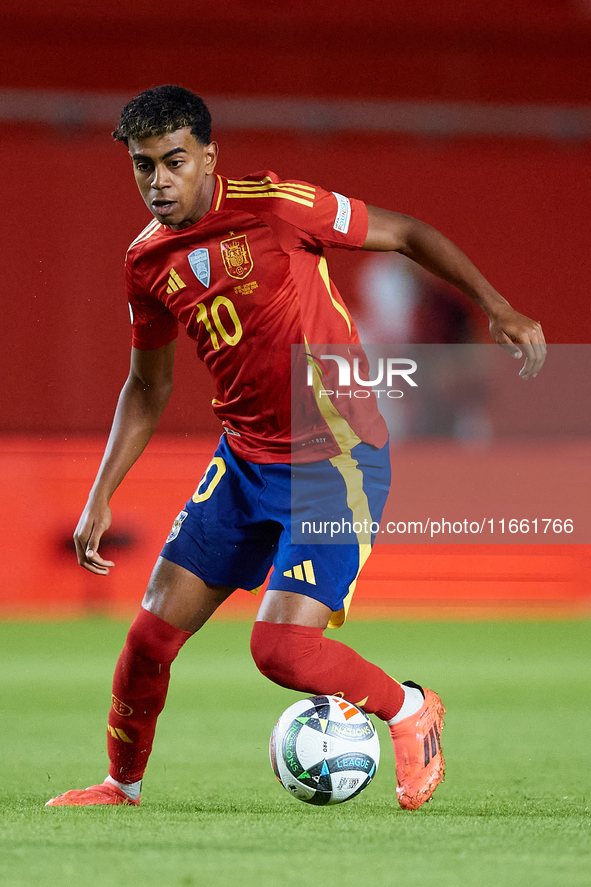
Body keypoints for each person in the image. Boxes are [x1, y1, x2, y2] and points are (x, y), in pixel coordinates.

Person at [46, 85, 546, 810]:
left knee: (278, 650)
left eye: (174, 162)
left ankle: (410, 708)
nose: (158, 181)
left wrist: (495, 306)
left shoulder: (277, 206)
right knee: (148, 638)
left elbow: (404, 233)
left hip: (333, 464)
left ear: (208, 157)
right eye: (143, 166)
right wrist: (99, 496)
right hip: (244, 464)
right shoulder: (145, 263)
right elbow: (146, 385)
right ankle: (121, 786)